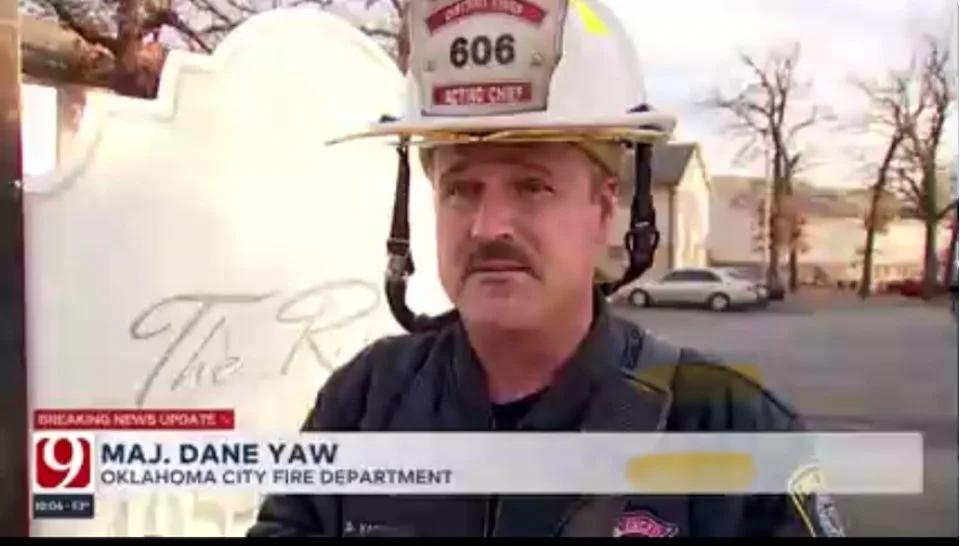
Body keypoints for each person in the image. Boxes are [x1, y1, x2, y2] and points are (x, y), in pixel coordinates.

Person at [247, 0, 845, 537]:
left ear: (604, 209)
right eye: (461, 189)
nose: (489, 227)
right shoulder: (363, 403)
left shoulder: (730, 429)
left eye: (532, 186)